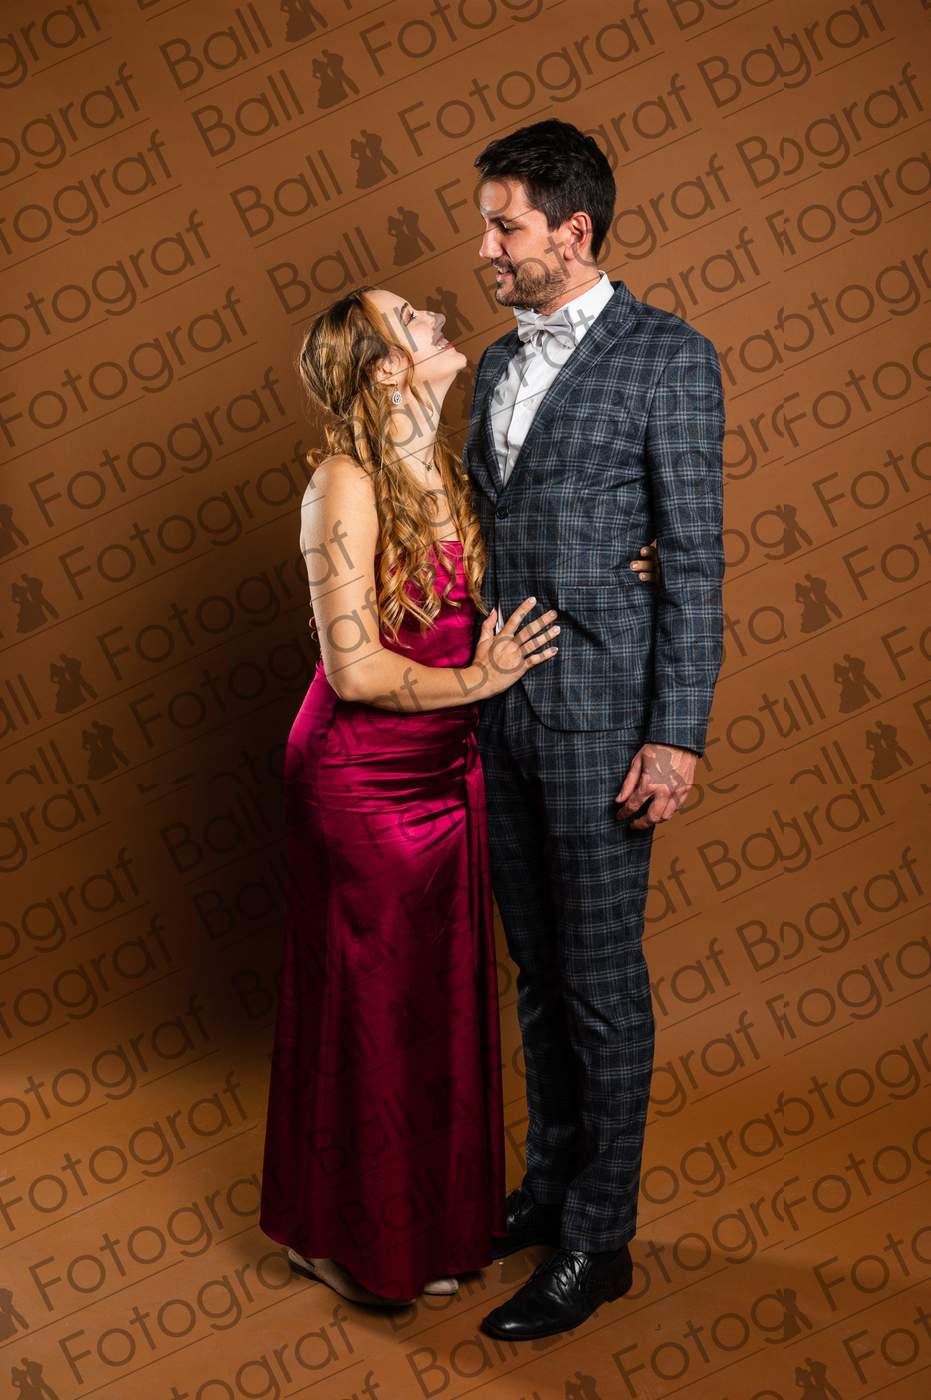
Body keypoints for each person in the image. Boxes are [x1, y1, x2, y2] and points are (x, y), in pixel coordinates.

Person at [257, 283, 658, 1305]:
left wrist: (634, 560)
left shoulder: (449, 463)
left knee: (428, 1004)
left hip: (448, 772)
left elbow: (540, 553)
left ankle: (420, 1229)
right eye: (411, 318)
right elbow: (354, 669)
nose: (436, 316)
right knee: (368, 1011)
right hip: (360, 781)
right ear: (386, 367)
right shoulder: (342, 484)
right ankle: (334, 1237)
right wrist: (481, 681)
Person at [464, 119, 725, 1341]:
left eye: (504, 226)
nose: (485, 249)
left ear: (572, 230)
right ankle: (548, 1188)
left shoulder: (670, 356)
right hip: (496, 711)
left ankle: (597, 1239)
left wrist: (676, 734)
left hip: (605, 717)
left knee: (600, 981)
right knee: (535, 970)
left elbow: (696, 559)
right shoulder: (490, 366)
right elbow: (490, 523)